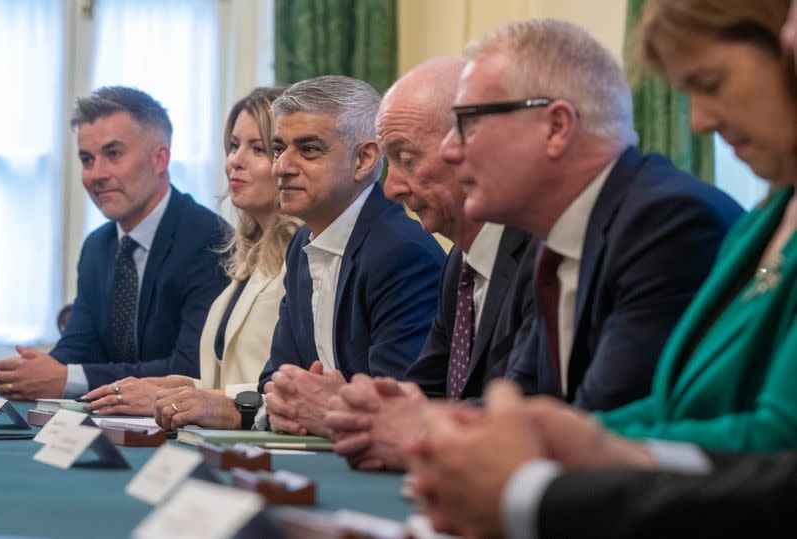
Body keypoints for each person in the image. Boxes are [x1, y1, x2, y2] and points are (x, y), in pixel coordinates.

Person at [412, 2, 797, 536]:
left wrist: (548, 468)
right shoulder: (762, 222)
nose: (699, 121)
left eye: (710, 82)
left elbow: (778, 442)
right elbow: (666, 408)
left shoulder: (670, 218)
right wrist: (554, 433)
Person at [438, 19, 743, 412]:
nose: (449, 149)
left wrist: (429, 429)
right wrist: (409, 418)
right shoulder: (553, 238)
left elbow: (599, 426)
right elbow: (526, 404)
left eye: (469, 123)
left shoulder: (666, 222)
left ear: (557, 127)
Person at [155, 76, 445, 433]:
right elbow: (275, 383)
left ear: (364, 159)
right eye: (278, 149)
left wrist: (303, 407)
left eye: (308, 149)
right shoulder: (301, 245)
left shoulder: (401, 253)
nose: (282, 167)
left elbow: (392, 409)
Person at [324, 58, 537, 471]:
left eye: (407, 158)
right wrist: (361, 409)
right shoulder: (459, 262)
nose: (390, 188)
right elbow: (424, 392)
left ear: (472, 149)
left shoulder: (540, 252)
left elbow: (530, 407)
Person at [0, 86, 230, 400]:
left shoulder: (208, 238)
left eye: (113, 154)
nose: (96, 174)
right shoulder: (97, 246)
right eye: (87, 159)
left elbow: (190, 368)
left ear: (160, 159)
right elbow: (80, 348)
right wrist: (35, 371)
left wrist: (67, 378)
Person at [80, 87, 301, 418]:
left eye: (257, 148)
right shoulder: (246, 263)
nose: (234, 161)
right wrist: (165, 388)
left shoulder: (305, 259)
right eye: (233, 146)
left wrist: (168, 397)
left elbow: (288, 389)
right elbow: (224, 379)